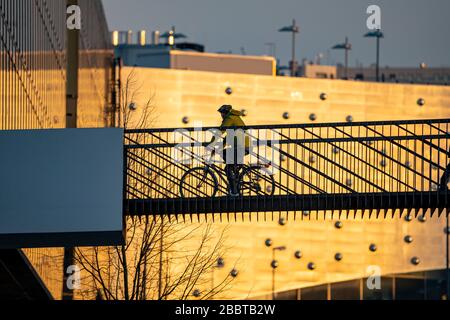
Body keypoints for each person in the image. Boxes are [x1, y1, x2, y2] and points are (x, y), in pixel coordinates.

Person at [208, 105, 251, 196]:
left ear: (226, 112)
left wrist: (211, 144)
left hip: (240, 146)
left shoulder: (230, 118)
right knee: (225, 154)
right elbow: (227, 137)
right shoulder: (234, 119)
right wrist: (218, 148)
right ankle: (235, 172)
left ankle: (234, 192)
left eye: (222, 113)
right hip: (242, 146)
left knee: (228, 168)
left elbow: (220, 132)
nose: (221, 115)